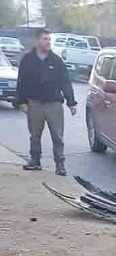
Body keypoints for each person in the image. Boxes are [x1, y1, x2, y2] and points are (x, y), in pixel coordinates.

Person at [16, 28, 77, 176]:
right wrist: (22, 102)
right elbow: (21, 82)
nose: (48, 42)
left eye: (49, 39)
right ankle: (35, 161)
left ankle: (60, 164)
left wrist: (71, 102)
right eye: (45, 39)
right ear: (38, 40)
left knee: (57, 136)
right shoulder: (27, 60)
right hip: (34, 104)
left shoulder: (56, 61)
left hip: (54, 104)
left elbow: (65, 82)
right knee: (35, 135)